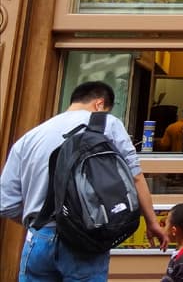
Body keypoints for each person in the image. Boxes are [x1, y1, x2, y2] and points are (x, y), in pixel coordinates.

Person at [0, 81, 168, 281]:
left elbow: (6, 204)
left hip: (38, 240)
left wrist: (40, 225)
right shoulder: (108, 123)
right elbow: (135, 177)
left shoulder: (28, 139)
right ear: (99, 104)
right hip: (84, 240)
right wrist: (151, 222)